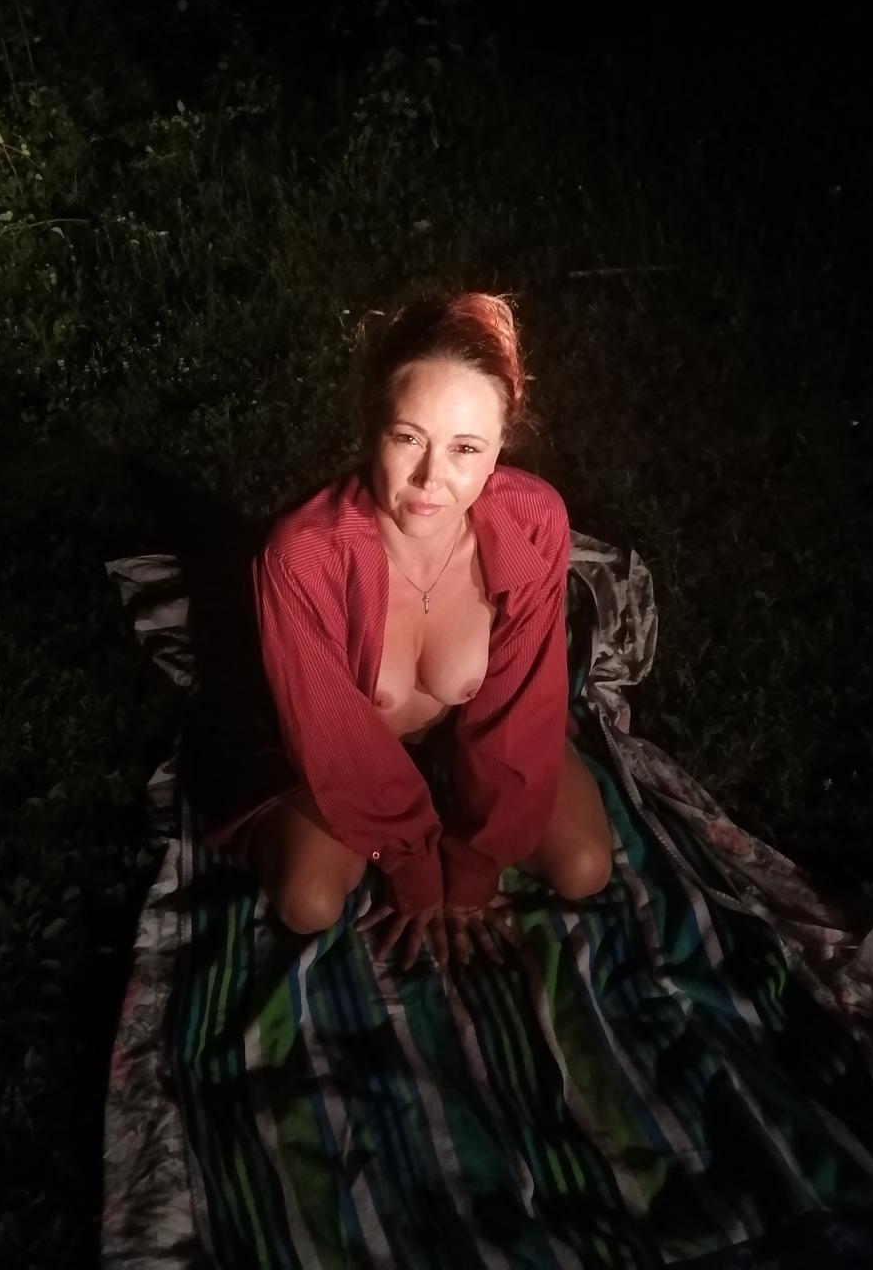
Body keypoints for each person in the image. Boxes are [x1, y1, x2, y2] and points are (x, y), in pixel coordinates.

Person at [203, 291, 613, 971]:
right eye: (408, 438)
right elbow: (333, 737)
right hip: (343, 752)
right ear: (373, 427)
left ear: (500, 448)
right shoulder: (302, 555)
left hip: (468, 735)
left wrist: (474, 869)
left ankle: (456, 799)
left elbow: (518, 708)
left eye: (465, 448)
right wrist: (414, 869)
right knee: (308, 901)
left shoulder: (534, 523)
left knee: (585, 867)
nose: (431, 480)